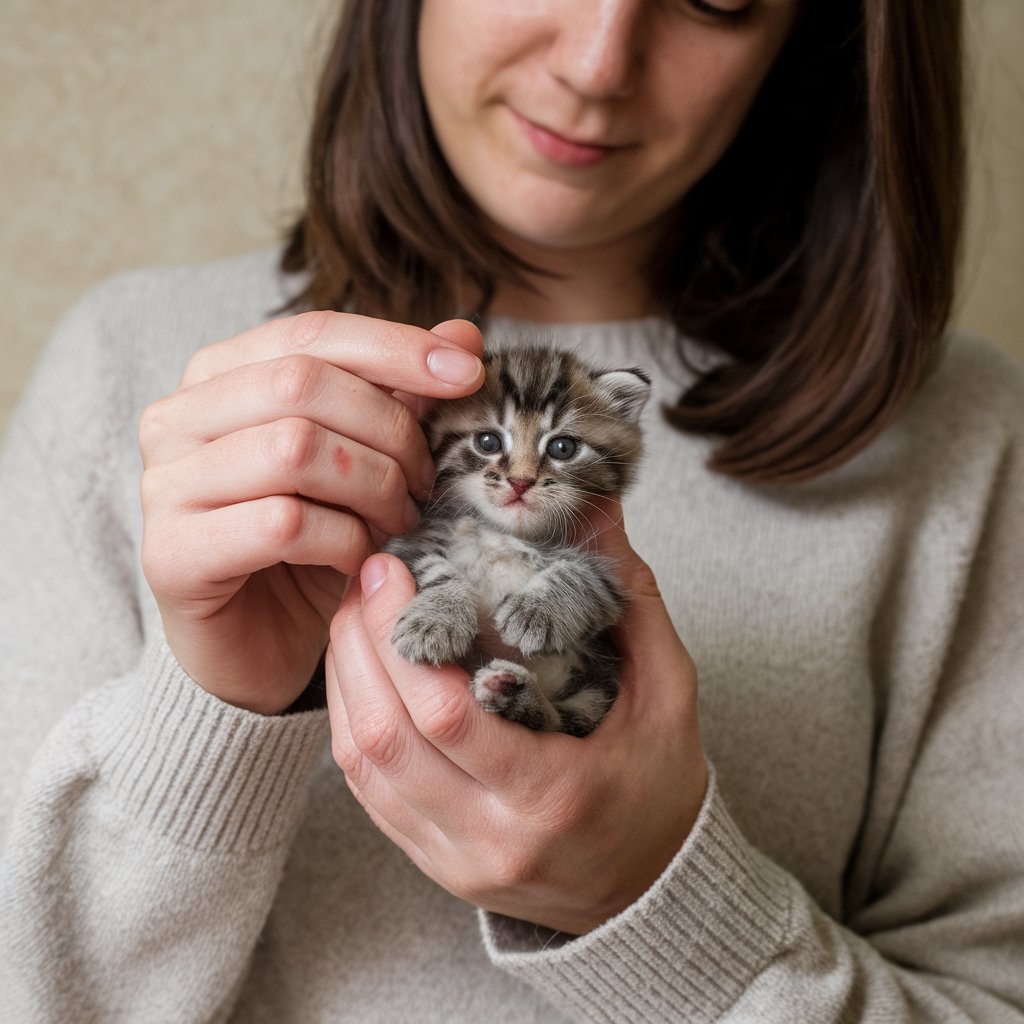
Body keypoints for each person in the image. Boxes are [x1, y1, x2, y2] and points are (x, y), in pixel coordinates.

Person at [1, 0, 1021, 1020]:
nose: (595, 63)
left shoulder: (972, 444)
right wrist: (206, 719)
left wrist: (655, 900)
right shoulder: (131, 367)